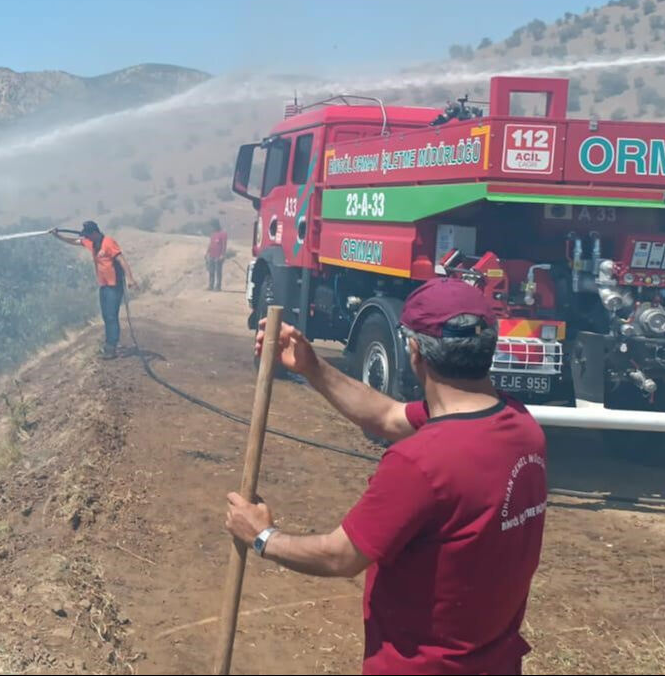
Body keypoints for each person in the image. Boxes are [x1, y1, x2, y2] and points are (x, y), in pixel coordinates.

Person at [223, 278, 547, 675]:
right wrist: (312, 366)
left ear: (414, 352)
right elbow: (387, 415)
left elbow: (339, 556)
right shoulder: (519, 425)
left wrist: (260, 536)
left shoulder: (420, 463)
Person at [50, 220, 132, 359]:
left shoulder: (109, 242)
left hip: (115, 285)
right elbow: (75, 241)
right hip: (104, 285)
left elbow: (121, 260)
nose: (86, 237)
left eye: (88, 235)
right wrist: (57, 236)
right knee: (106, 316)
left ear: (95, 233)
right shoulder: (91, 242)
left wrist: (130, 278)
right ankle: (111, 343)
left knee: (112, 316)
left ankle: (111, 347)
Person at [206, 219, 229, 291]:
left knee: (218, 272)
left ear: (216, 225)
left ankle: (218, 286)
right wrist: (207, 253)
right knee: (211, 271)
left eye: (212, 226)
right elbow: (210, 244)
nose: (211, 227)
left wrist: (222, 255)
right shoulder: (213, 234)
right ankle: (211, 285)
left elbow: (224, 245)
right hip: (211, 255)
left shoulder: (223, 233)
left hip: (218, 256)